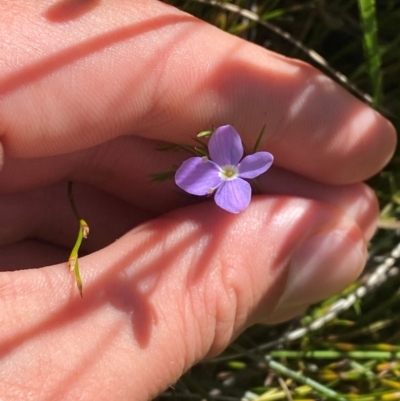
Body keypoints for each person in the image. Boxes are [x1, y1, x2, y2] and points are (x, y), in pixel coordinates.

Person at [0, 1, 396, 400]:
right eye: (224, 170)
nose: (227, 172)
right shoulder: (220, 167)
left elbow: (246, 168)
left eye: (229, 170)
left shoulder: (242, 168)